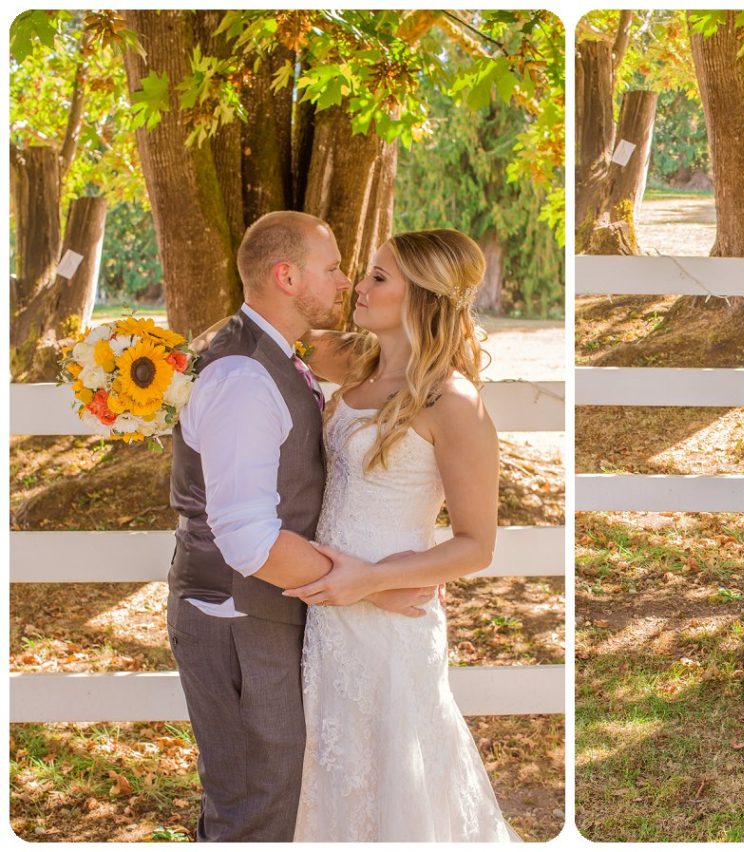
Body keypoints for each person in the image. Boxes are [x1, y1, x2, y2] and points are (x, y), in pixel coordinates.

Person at [167, 211, 436, 841]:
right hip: (234, 618)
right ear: (287, 277)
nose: (345, 283)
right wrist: (373, 586)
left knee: (277, 796)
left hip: (264, 613)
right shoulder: (242, 378)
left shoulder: (274, 354)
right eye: (334, 267)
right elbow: (249, 540)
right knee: (256, 807)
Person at [280, 229, 516, 840]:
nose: (359, 285)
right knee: (332, 769)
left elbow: (476, 544)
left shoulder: (453, 401)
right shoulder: (348, 361)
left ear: (424, 297)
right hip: (329, 611)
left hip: (391, 618)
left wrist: (373, 581)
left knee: (396, 776)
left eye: (379, 277)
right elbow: (257, 332)